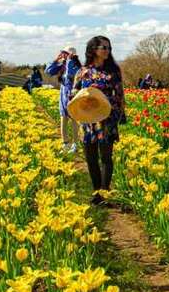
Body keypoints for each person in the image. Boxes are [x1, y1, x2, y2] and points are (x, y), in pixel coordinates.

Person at [73, 36, 125, 205]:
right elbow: (73, 94)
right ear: (93, 49)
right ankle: (96, 192)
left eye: (109, 48)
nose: (107, 51)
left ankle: (104, 193)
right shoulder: (83, 72)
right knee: (91, 158)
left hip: (107, 119)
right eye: (104, 47)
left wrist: (116, 113)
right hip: (88, 119)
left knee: (106, 157)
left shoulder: (113, 72)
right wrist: (85, 95)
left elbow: (120, 95)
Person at [46, 47, 82, 153]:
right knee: (63, 119)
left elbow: (70, 75)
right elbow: (48, 71)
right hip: (63, 95)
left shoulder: (76, 66)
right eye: (62, 53)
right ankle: (65, 143)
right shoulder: (62, 65)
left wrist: (70, 61)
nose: (62, 55)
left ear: (71, 55)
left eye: (64, 53)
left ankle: (75, 144)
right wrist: (55, 61)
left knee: (74, 120)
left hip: (72, 95)